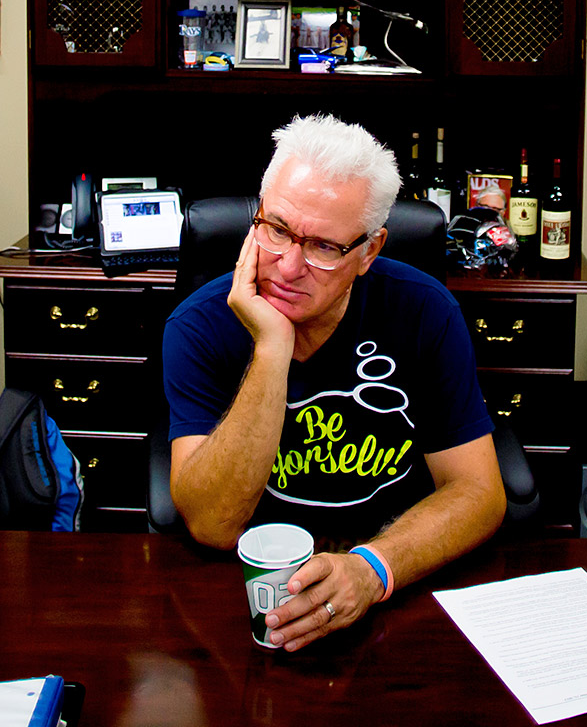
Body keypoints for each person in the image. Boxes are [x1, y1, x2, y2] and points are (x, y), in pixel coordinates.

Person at [163, 114, 504, 652]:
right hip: (250, 598)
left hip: (396, 589)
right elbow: (213, 525)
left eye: (323, 247)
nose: (288, 266)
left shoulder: (425, 311)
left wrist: (372, 570)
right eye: (276, 229)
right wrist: (273, 347)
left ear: (369, 250)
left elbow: (480, 492)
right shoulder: (198, 326)